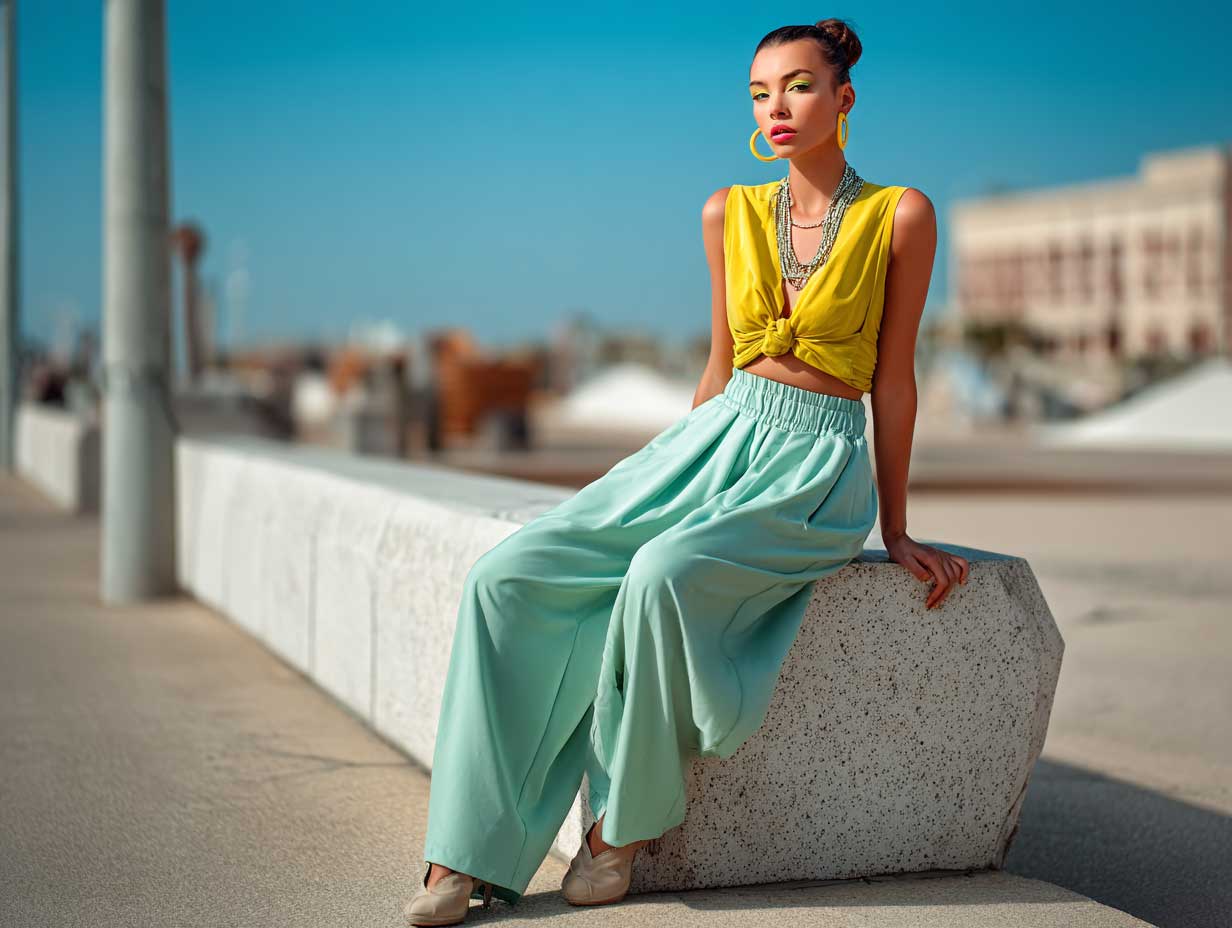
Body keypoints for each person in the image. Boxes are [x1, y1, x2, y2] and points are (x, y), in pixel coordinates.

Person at [404, 16, 970, 927]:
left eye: (797, 85)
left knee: (661, 577)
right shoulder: (728, 211)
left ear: (843, 98)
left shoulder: (899, 214)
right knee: (509, 576)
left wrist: (895, 528)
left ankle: (617, 832)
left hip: (817, 463)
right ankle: (461, 851)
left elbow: (893, 383)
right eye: (760, 92)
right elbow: (718, 364)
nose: (776, 107)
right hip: (719, 437)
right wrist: (673, 468)